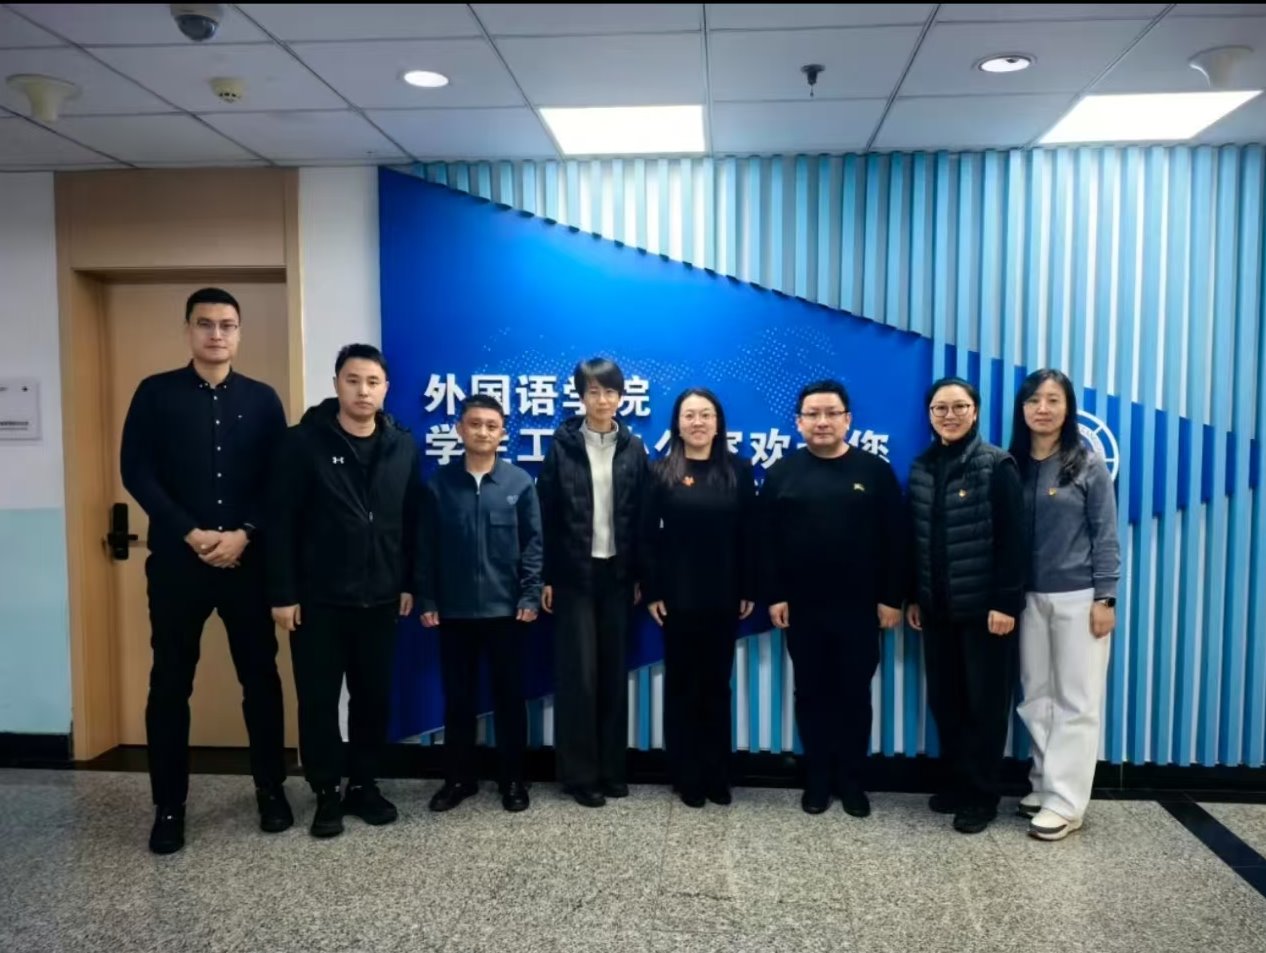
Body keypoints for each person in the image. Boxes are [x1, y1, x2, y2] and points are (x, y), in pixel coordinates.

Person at [120, 287, 290, 855]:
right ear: (188, 330)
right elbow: (136, 472)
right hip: (178, 563)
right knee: (170, 683)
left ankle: (270, 790)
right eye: (205, 323)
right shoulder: (155, 393)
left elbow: (277, 479)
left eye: (227, 324)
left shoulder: (263, 400)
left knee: (260, 680)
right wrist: (190, 532)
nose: (216, 334)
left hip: (246, 563)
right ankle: (169, 806)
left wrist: (244, 533)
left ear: (239, 332)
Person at [267, 344, 419, 839]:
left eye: (373, 382)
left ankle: (364, 784)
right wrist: (283, 592)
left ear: (386, 389)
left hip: (380, 598)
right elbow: (280, 522)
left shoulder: (402, 445)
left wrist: (408, 582)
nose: (363, 391)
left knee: (372, 698)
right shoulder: (302, 443)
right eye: (353, 380)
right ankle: (326, 790)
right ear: (336, 384)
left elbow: (410, 520)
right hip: (318, 601)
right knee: (318, 700)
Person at [761, 380, 906, 818]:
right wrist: (775, 595)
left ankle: (852, 782)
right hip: (802, 609)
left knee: (854, 694)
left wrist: (892, 598)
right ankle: (818, 780)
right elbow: (765, 542)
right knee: (811, 693)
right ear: (798, 422)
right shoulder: (782, 473)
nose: (822, 422)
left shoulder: (874, 471)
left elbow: (895, 540)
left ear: (847, 419)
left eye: (831, 413)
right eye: (813, 414)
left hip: (860, 608)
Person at [906, 376, 1025, 835]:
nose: (949, 415)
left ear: (975, 412)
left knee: (985, 707)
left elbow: (1014, 541)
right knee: (948, 702)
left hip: (985, 614)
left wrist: (1005, 603)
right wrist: (913, 597)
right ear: (929, 415)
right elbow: (915, 539)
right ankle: (958, 784)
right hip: (937, 611)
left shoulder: (997, 464)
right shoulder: (922, 467)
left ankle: (981, 796)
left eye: (959, 407)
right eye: (940, 408)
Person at [417, 393, 543, 813]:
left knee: (509, 699)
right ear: (460, 429)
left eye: (492, 425)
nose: (483, 432)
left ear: (503, 432)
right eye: (475, 424)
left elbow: (533, 545)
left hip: (507, 612)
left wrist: (530, 594)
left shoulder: (519, 483)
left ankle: (513, 779)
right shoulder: (438, 485)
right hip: (453, 612)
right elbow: (425, 547)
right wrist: (427, 597)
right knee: (458, 700)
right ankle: (458, 779)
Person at [1010, 369, 1120, 841]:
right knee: (1036, 696)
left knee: (1077, 700)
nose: (1043, 408)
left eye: (1053, 400)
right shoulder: (1012, 465)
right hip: (1026, 598)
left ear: (1067, 408)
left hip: (1079, 597)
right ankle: (1043, 783)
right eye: (1034, 400)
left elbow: (1106, 536)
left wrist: (1105, 596)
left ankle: (1067, 803)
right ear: (1022, 409)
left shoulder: (1087, 465)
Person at [537, 357, 649, 807]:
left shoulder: (634, 448)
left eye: (610, 391)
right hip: (573, 575)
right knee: (578, 677)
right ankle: (580, 776)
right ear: (581, 396)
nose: (602, 400)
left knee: (612, 675)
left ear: (621, 396)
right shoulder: (562, 446)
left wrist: (639, 575)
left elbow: (641, 518)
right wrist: (547, 575)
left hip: (618, 575)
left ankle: (612, 770)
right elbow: (547, 514)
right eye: (593, 392)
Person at [642, 388, 756, 808]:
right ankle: (686, 775)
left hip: (724, 595)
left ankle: (717, 774)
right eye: (689, 415)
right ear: (677, 423)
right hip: (677, 598)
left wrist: (748, 587)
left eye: (705, 414)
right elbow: (646, 537)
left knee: (716, 687)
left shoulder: (738, 470)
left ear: (718, 422)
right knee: (682, 686)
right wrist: (653, 589)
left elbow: (750, 533)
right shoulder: (660, 471)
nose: (697, 422)